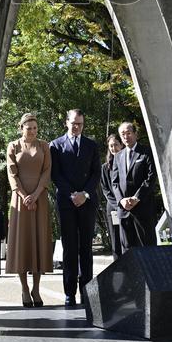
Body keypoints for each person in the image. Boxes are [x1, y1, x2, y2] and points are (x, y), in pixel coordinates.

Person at [50, 108, 101, 307]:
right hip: (66, 203)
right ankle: (69, 293)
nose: (77, 127)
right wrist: (73, 195)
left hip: (87, 202)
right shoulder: (55, 145)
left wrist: (85, 194)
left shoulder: (91, 145)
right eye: (74, 123)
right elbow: (56, 175)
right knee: (69, 249)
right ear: (67, 122)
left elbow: (96, 173)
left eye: (80, 123)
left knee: (86, 249)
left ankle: (87, 292)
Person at [5, 114, 53, 305]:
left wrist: (37, 193)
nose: (32, 131)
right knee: (21, 243)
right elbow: (12, 173)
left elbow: (47, 171)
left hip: (39, 198)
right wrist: (24, 195)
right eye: (28, 128)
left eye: (35, 127)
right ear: (21, 128)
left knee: (39, 242)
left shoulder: (44, 146)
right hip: (20, 201)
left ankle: (36, 289)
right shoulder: (13, 146)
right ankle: (24, 289)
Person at [111, 121, 157, 251]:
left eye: (128, 133)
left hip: (143, 209)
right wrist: (121, 200)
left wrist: (136, 198)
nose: (126, 136)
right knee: (127, 251)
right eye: (123, 134)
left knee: (147, 248)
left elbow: (151, 178)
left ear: (135, 134)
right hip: (124, 211)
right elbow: (114, 182)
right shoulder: (118, 156)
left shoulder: (146, 152)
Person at [100, 133, 124, 260]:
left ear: (121, 145)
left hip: (128, 207)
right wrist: (118, 205)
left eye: (116, 145)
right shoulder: (104, 168)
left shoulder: (128, 163)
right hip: (114, 208)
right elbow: (105, 190)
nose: (114, 148)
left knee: (128, 238)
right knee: (115, 239)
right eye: (111, 146)